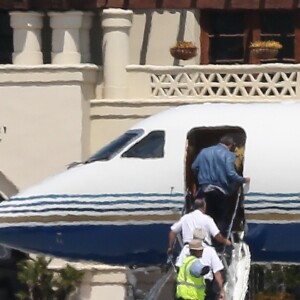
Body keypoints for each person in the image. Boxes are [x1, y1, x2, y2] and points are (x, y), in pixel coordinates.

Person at [191, 135, 250, 237]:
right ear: (230, 145)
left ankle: (203, 239)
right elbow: (230, 174)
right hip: (220, 191)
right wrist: (243, 180)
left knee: (205, 216)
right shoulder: (229, 155)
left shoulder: (204, 151)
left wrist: (202, 177)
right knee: (222, 217)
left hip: (204, 189)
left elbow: (194, 167)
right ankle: (218, 242)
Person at [176, 228, 225, 300]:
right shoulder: (209, 250)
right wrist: (221, 290)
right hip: (201, 289)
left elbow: (179, 268)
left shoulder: (185, 250)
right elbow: (217, 272)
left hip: (184, 291)